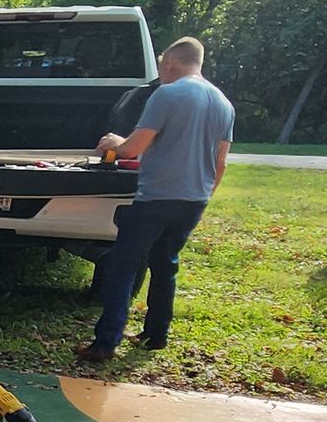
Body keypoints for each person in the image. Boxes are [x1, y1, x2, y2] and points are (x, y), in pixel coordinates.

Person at [77, 36, 233, 363]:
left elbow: (134, 148)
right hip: (194, 200)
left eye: (162, 67)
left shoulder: (168, 94)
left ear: (170, 63)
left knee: (123, 266)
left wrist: (113, 142)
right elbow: (221, 163)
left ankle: (105, 343)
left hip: (156, 198)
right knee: (165, 264)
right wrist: (204, 196)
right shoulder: (223, 102)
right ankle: (155, 333)